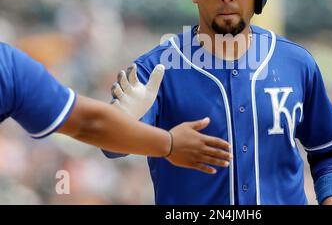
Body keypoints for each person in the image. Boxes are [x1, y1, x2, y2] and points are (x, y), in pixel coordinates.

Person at [104, 0, 332, 205]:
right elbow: (111, 148)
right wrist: (119, 126)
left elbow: (331, 150)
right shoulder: (156, 70)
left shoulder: (296, 63)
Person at [0, 42, 232, 174]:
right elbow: (87, 124)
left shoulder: (9, 66)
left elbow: (90, 125)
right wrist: (169, 144)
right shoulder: (7, 64)